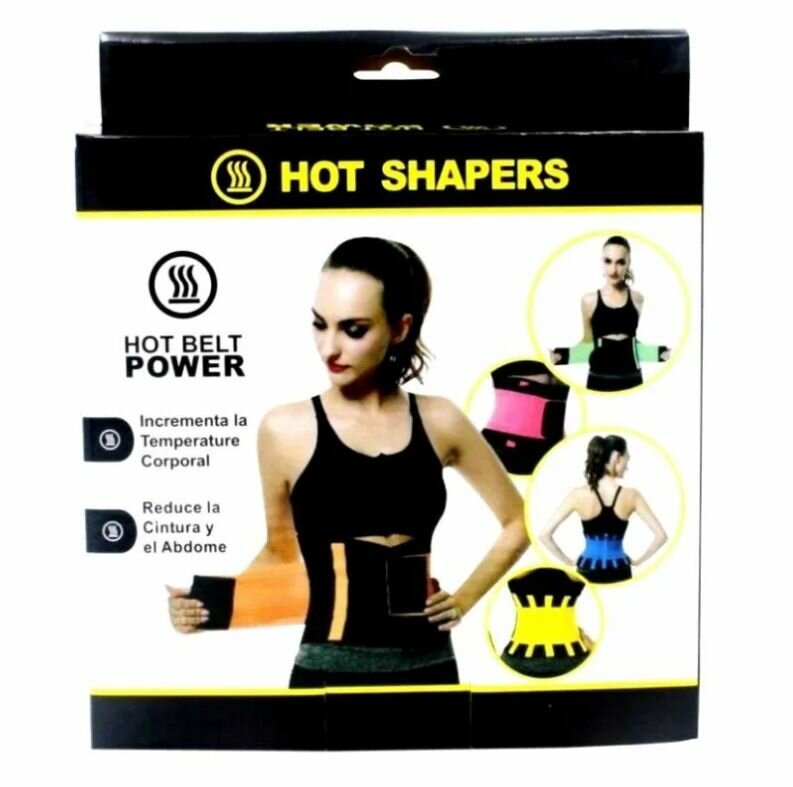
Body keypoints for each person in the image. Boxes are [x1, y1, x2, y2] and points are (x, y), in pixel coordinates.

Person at [167, 236, 529, 687]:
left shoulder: (441, 420)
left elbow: (519, 521)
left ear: (399, 328)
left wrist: (464, 600)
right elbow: (282, 554)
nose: (329, 349)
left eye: (353, 330)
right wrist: (206, 605)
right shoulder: (284, 429)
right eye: (320, 325)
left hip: (431, 669)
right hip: (324, 672)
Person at [539, 435, 668, 583]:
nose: (627, 467)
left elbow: (544, 535)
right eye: (627, 460)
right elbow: (661, 536)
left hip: (587, 568)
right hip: (620, 569)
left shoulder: (577, 494)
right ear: (617, 458)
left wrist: (569, 562)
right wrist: (638, 561)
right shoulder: (632, 496)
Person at [550, 236, 670, 391]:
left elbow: (633, 346)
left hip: (632, 378)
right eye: (608, 261)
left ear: (628, 263)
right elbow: (588, 346)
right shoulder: (589, 301)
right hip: (598, 379)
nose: (613, 270)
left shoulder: (638, 299)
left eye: (620, 262)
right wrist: (560, 356)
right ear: (602, 261)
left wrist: (662, 354)